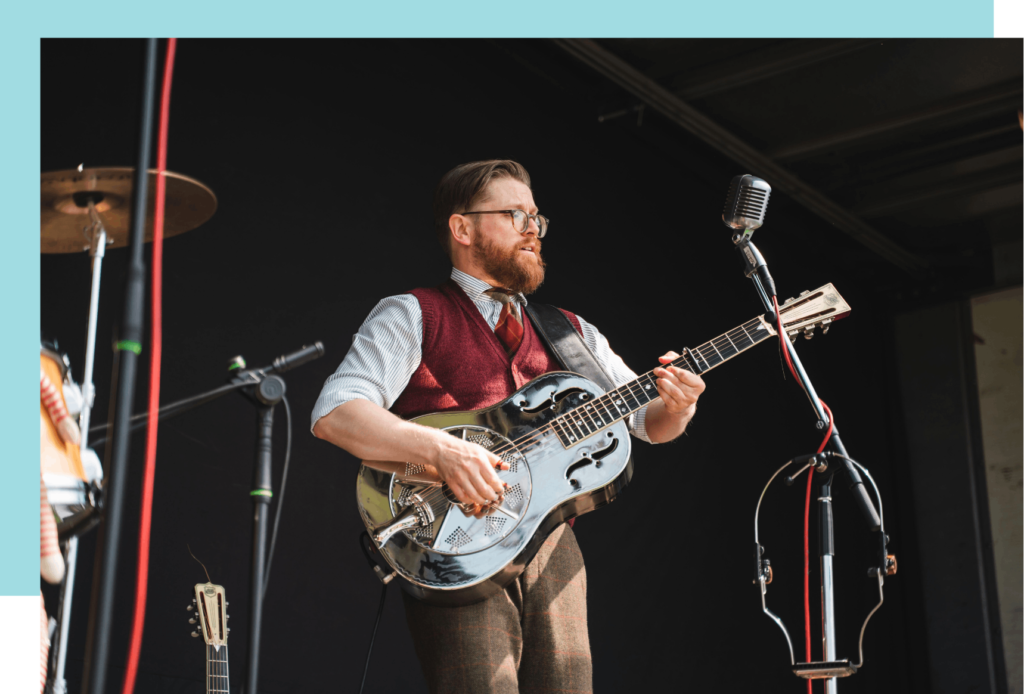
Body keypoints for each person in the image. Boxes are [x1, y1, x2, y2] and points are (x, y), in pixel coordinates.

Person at [311, 159, 706, 693]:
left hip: (554, 540)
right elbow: (336, 413)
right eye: (516, 214)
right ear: (462, 228)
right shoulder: (412, 313)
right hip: (450, 537)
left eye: (537, 218)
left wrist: (678, 405)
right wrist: (443, 452)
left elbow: (647, 421)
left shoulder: (571, 332)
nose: (532, 229)